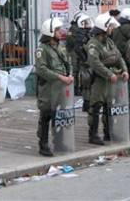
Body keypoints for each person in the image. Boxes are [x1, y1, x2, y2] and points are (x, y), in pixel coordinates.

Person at [86, 13, 128, 145]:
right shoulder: (93, 44)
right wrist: (109, 74)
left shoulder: (109, 42)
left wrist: (124, 70)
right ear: (103, 28)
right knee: (96, 106)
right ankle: (93, 135)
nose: (112, 29)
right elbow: (95, 63)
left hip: (111, 79)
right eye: (109, 26)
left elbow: (119, 57)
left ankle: (108, 132)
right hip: (99, 80)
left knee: (109, 106)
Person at [34, 18, 73, 156]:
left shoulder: (59, 46)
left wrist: (70, 74)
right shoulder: (42, 49)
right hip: (48, 88)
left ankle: (59, 141)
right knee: (46, 115)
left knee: (59, 114)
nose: (60, 32)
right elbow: (41, 69)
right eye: (57, 30)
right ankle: (43, 144)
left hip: (61, 87)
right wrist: (59, 77)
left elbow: (67, 62)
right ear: (50, 32)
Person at [74, 14, 94, 112]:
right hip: (85, 63)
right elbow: (78, 49)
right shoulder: (81, 34)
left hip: (87, 62)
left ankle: (88, 102)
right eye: (86, 22)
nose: (89, 24)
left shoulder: (86, 33)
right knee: (86, 82)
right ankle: (86, 103)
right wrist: (85, 60)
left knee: (89, 82)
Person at [65, 12, 83, 96]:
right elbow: (70, 41)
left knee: (80, 70)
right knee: (75, 70)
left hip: (79, 51)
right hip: (74, 51)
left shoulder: (80, 28)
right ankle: (75, 89)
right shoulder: (72, 29)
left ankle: (80, 88)